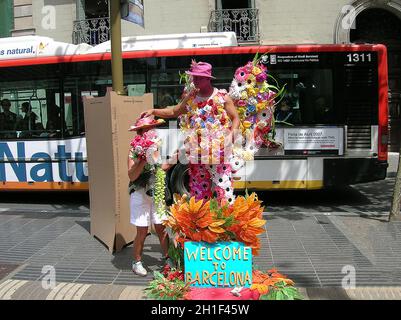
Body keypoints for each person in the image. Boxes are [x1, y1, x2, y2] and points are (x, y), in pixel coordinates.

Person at [141, 61, 240, 205]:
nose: (195, 81)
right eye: (194, 77)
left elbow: (236, 118)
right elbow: (174, 111)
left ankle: (226, 225)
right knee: (199, 196)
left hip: (219, 154)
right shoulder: (191, 97)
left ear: (208, 79)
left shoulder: (222, 97)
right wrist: (154, 111)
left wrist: (231, 136)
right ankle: (201, 225)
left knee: (224, 193)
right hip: (196, 156)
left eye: (199, 77)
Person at [128, 115, 173, 276]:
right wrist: (141, 159)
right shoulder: (134, 150)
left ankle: (169, 259)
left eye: (152, 129)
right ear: (140, 132)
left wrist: (175, 158)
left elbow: (161, 168)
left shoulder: (157, 148)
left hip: (157, 191)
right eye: (147, 130)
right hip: (140, 193)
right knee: (142, 230)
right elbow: (132, 176)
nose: (151, 132)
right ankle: (137, 262)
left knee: (161, 227)